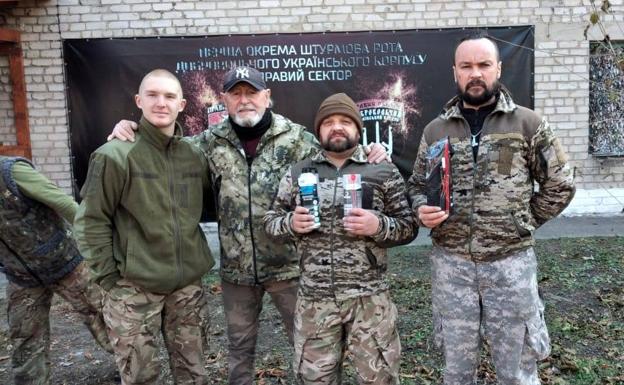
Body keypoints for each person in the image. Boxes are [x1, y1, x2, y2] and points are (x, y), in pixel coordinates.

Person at [109, 66, 389, 385]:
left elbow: (337, 153)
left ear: (266, 97)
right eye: (236, 93)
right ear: (224, 100)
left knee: (308, 349)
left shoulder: (296, 139)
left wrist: (370, 150)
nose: (245, 100)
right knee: (239, 351)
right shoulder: (209, 143)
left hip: (290, 268)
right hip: (237, 272)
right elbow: (167, 145)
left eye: (252, 92)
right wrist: (130, 126)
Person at [407, 33, 575, 385]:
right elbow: (417, 186)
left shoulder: (527, 124)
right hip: (452, 266)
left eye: (484, 64)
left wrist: (522, 221)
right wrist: (422, 209)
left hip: (509, 264)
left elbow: (561, 183)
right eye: (467, 66)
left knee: (517, 370)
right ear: (455, 72)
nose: (476, 73)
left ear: (498, 68)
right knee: (456, 370)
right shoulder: (436, 129)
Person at [264, 93, 416, 385]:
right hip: (315, 301)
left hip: (369, 301)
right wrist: (291, 223)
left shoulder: (382, 171)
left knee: (378, 379)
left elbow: (408, 226)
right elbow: (270, 223)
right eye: (329, 122)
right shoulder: (298, 172)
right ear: (319, 130)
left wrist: (378, 225)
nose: (337, 127)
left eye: (345, 121)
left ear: (358, 129)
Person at [74, 69, 215, 385]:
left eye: (169, 96)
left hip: (187, 289)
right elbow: (91, 221)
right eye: (152, 95)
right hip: (134, 290)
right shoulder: (114, 155)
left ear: (182, 104)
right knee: (140, 377)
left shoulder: (194, 156)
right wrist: (110, 279)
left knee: (194, 374)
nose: (160, 103)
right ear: (138, 101)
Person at [0, 155, 112, 385]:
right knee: (25, 336)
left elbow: (64, 203)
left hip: (64, 261)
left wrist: (99, 243)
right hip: (21, 276)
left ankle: (132, 368)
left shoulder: (10, 171)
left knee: (102, 314)